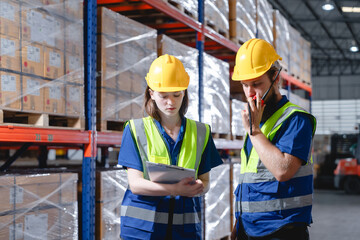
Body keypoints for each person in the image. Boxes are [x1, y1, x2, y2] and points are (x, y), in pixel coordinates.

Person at [118, 54, 223, 240]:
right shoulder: (135, 130)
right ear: (151, 93)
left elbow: (205, 180)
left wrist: (198, 187)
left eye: (177, 95)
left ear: (184, 92)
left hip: (184, 230)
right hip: (142, 231)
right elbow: (135, 184)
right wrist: (176, 190)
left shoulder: (201, 132)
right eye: (163, 95)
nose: (170, 102)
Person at [230, 38, 317, 240]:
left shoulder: (296, 119)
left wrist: (254, 131)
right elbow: (250, 179)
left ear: (276, 79)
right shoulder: (259, 122)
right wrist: (238, 226)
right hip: (249, 228)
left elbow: (283, 170)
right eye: (244, 85)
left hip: (281, 230)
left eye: (257, 84)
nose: (250, 93)